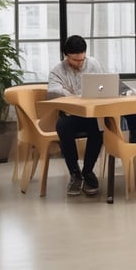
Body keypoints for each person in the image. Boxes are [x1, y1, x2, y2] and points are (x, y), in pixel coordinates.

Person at [47, 35, 105, 197]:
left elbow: (103, 86)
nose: (80, 63)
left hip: (92, 113)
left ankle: (88, 171)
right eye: (75, 60)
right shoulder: (57, 71)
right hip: (71, 115)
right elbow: (53, 93)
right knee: (62, 127)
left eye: (82, 59)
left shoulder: (93, 64)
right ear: (66, 56)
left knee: (100, 127)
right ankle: (74, 173)